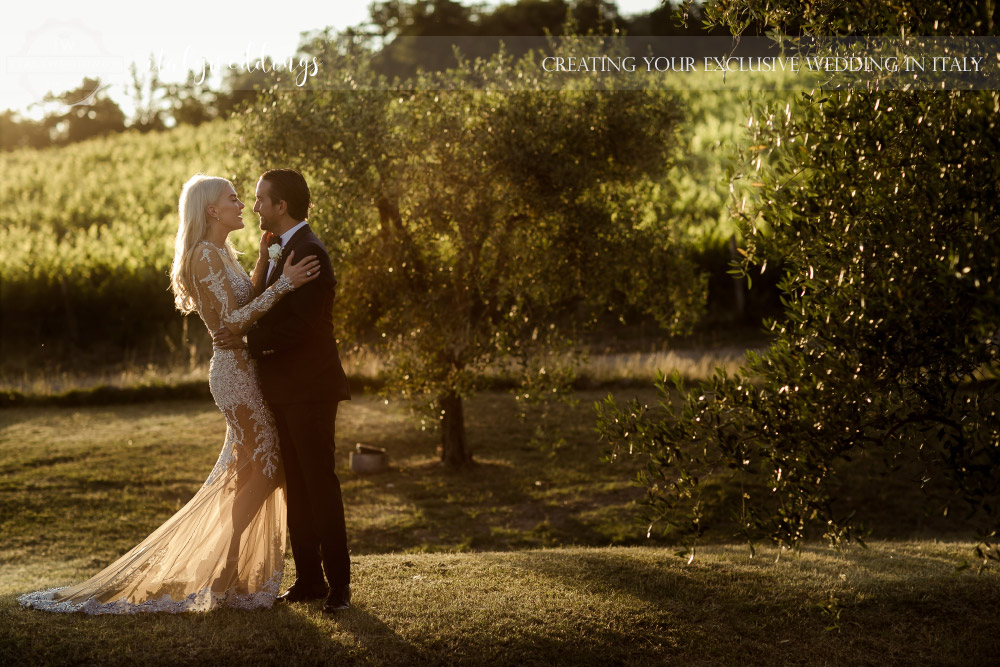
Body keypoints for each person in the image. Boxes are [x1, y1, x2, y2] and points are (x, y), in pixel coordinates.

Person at [17, 174, 320, 614]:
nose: (243, 205)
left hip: (246, 370)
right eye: (233, 198)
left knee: (249, 471)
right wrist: (284, 284)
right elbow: (229, 326)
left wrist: (261, 265)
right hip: (234, 376)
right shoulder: (201, 257)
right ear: (211, 210)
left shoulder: (222, 252)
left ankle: (226, 572)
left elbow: (243, 300)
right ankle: (224, 569)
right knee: (268, 467)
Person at [213, 168, 353, 614]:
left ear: (282, 206)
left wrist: (249, 341)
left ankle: (340, 587)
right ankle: (309, 578)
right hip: (283, 387)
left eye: (259, 199)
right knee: (296, 484)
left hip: (310, 388)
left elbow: (303, 327)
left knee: (319, 484)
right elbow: (268, 303)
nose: (254, 207)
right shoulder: (278, 248)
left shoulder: (309, 252)